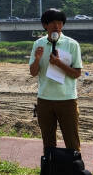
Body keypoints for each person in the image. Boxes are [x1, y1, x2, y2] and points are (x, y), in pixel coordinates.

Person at [29, 9, 82, 151]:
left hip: (67, 100)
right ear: (45, 25)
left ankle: (74, 171)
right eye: (52, 22)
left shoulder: (72, 44)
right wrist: (38, 59)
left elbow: (77, 73)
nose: (57, 26)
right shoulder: (38, 44)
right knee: (48, 142)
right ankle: (51, 171)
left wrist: (59, 63)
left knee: (72, 141)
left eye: (60, 23)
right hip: (44, 99)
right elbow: (33, 73)